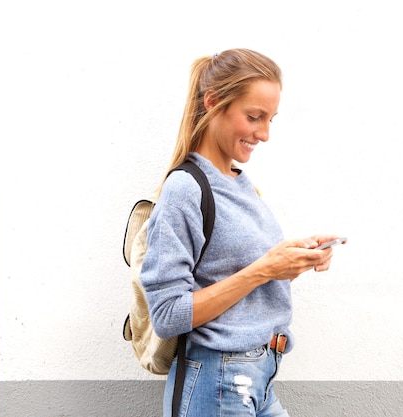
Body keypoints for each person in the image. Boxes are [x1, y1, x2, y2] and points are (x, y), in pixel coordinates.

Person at [139, 48, 345, 417]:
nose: (264, 133)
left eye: (271, 119)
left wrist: (292, 261)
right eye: (254, 117)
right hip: (218, 381)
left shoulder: (239, 183)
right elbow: (168, 314)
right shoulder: (185, 189)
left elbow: (236, 279)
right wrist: (265, 269)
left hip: (259, 377)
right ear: (214, 102)